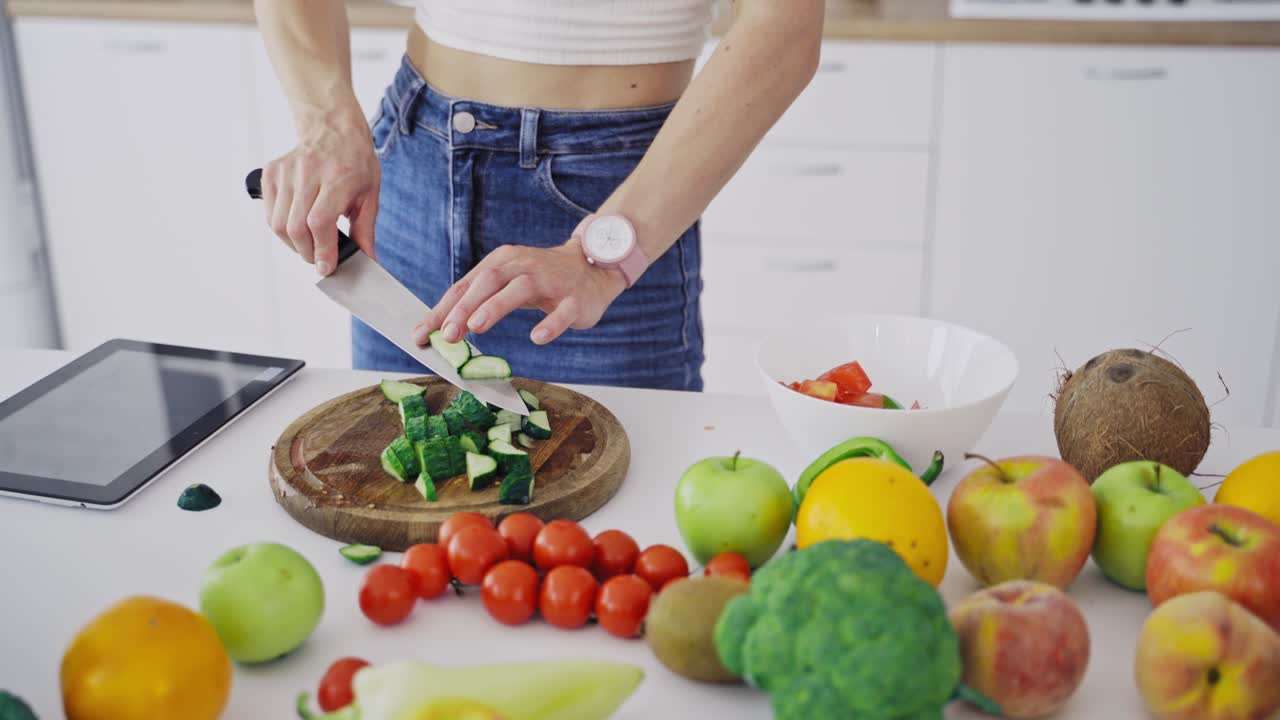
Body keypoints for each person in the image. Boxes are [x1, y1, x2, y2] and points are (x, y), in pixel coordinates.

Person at [255, 0, 824, 391]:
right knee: (393, 519)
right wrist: (325, 120)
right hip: (411, 167)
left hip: (615, 191)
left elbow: (784, 25)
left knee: (612, 536)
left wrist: (601, 259)